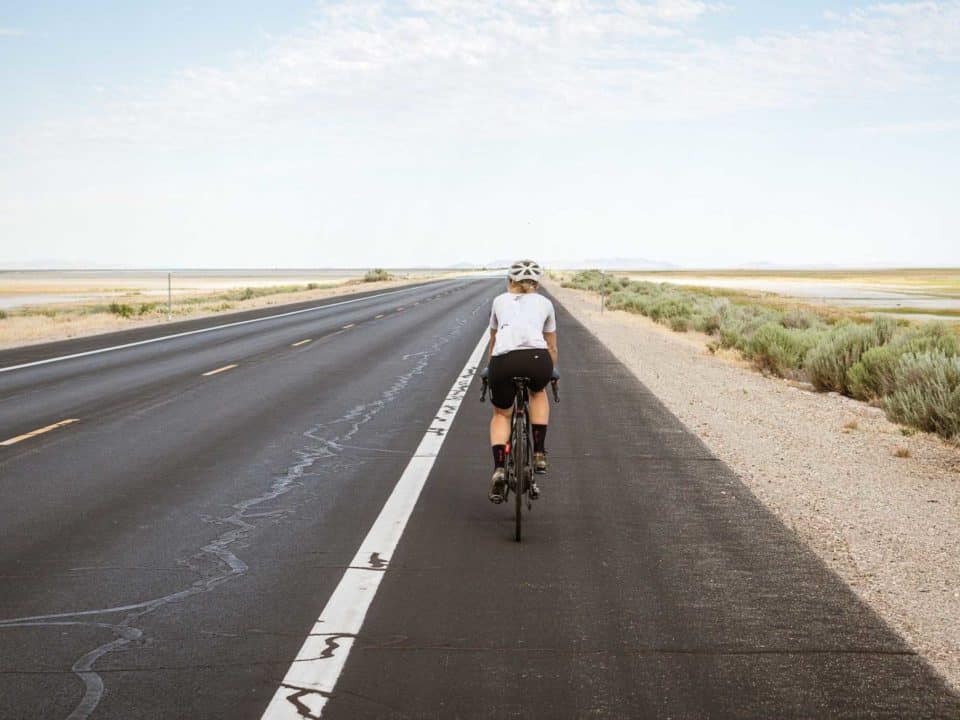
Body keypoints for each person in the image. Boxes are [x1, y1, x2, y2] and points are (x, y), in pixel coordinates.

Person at [483, 259, 558, 503]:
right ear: (537, 283)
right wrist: (550, 370)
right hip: (537, 359)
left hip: (503, 361)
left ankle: (499, 468)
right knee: (538, 393)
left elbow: (494, 341)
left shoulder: (499, 301)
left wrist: (490, 369)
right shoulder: (545, 303)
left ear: (510, 281)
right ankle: (539, 453)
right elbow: (552, 347)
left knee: (501, 414)